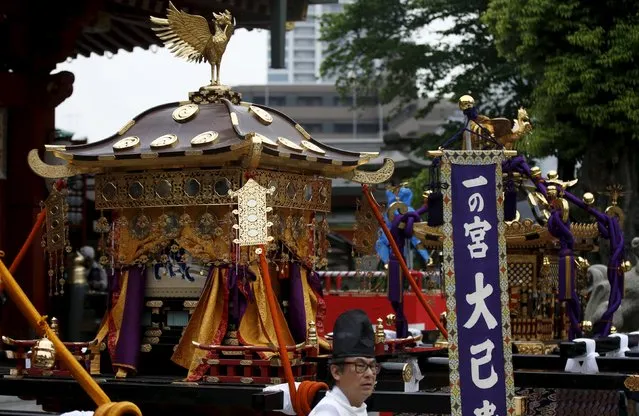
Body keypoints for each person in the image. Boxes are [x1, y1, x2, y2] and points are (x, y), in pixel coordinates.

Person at [309, 308, 379, 416]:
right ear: (336, 372)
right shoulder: (327, 412)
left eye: (372, 366)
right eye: (360, 365)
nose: (369, 374)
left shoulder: (357, 407)